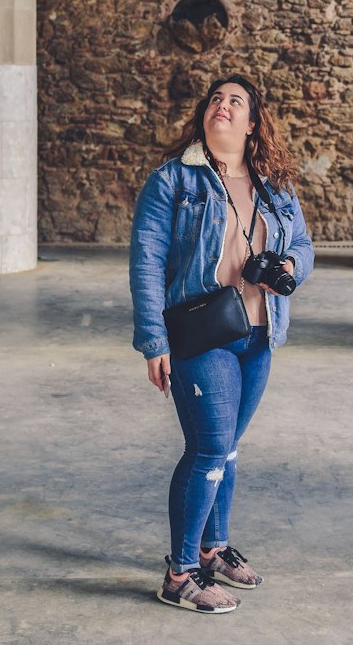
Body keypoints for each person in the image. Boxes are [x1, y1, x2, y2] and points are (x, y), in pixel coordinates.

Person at [130, 74, 314, 613]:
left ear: (253, 123)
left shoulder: (274, 185)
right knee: (208, 448)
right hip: (200, 335)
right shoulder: (173, 182)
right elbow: (146, 264)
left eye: (236, 101)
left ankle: (212, 550)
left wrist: (288, 267)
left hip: (258, 335)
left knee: (227, 448)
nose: (223, 106)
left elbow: (302, 243)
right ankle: (179, 573)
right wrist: (153, 342)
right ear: (204, 118)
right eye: (216, 99)